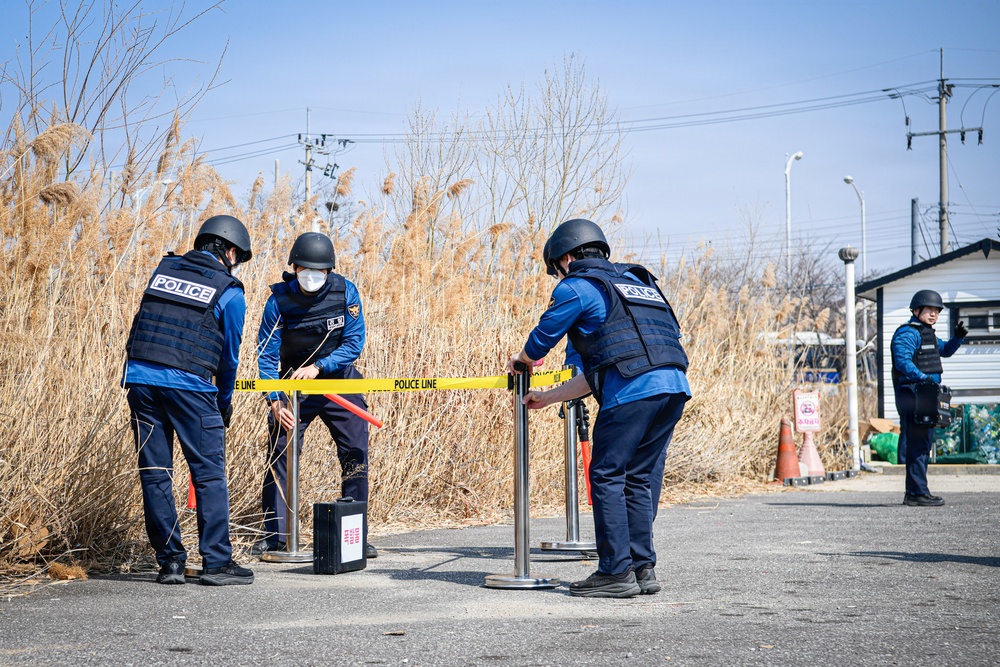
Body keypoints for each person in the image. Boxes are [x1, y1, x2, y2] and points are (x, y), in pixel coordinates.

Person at [508, 219, 691, 598]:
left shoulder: (577, 286)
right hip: (673, 387)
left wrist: (523, 361)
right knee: (637, 478)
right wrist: (550, 396)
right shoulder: (639, 284)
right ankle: (643, 569)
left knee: (606, 475)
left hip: (634, 392)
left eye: (557, 266)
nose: (558, 273)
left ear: (567, 257)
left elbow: (542, 338)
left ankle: (614, 571)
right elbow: (609, 366)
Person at [123, 215, 255, 586]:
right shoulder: (228, 291)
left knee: (156, 474)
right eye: (237, 256)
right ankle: (216, 563)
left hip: (141, 383)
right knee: (209, 473)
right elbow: (229, 357)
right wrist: (223, 403)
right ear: (229, 251)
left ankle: (171, 564)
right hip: (191, 387)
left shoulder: (162, 271)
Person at [254, 232, 377, 559]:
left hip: (340, 383)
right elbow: (266, 356)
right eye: (305, 269)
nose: (311, 276)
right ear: (293, 267)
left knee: (356, 454)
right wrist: (275, 399)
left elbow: (354, 344)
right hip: (294, 388)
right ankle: (276, 536)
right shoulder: (278, 301)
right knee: (281, 454)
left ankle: (355, 536)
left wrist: (320, 367)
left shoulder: (345, 292)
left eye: (319, 271)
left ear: (329, 271)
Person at [890, 289, 966, 506]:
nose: (933, 314)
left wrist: (958, 339)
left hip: (926, 393)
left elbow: (944, 351)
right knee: (917, 443)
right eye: (929, 309)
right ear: (916, 310)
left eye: (936, 311)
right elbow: (902, 361)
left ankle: (917, 492)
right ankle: (916, 493)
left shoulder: (927, 333)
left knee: (923, 443)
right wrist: (924, 377)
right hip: (913, 394)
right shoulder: (907, 333)